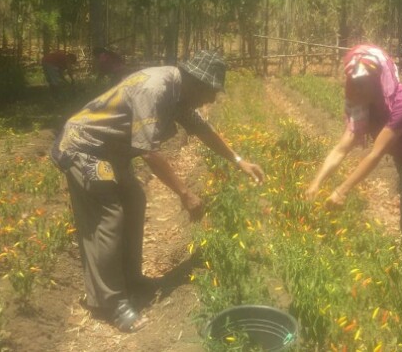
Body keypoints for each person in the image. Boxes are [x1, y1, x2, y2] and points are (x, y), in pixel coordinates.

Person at [51, 50, 265, 332]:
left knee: (135, 200)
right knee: (109, 216)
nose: (212, 99)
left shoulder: (180, 92)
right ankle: (110, 303)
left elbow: (202, 128)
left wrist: (239, 161)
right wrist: (184, 193)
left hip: (111, 152)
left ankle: (131, 279)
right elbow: (149, 153)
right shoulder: (155, 89)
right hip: (84, 147)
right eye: (210, 91)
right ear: (195, 81)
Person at [306, 44, 402, 257]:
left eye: (364, 81)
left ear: (379, 78)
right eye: (355, 82)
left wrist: (341, 191)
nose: (358, 87)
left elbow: (375, 154)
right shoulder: (365, 106)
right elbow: (342, 148)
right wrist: (316, 183)